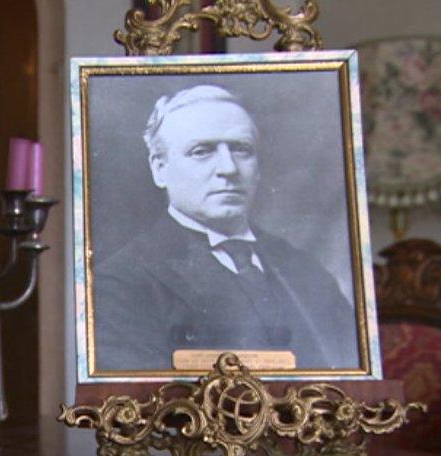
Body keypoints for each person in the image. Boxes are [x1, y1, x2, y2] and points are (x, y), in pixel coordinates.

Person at [93, 85, 357, 371]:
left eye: (241, 149)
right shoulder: (119, 283)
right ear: (160, 168)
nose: (228, 168)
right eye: (201, 151)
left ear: (257, 167)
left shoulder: (306, 271)